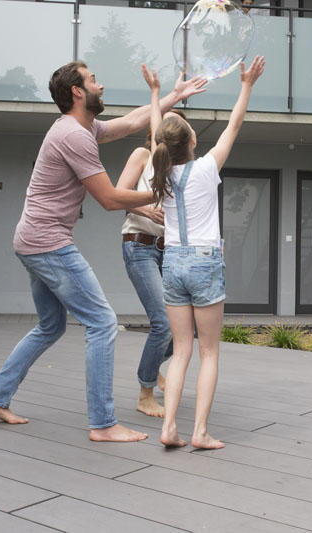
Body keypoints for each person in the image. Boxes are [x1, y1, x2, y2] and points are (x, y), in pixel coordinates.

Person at [0, 61, 207, 443]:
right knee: (102, 323)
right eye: (94, 80)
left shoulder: (81, 128)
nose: (102, 85)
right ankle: (103, 423)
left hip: (33, 240)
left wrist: (173, 97)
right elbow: (110, 199)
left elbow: (130, 123)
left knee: (50, 326)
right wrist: (164, 193)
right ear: (78, 92)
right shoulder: (74, 136)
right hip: (48, 243)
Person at [143, 56, 266, 449]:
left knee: (181, 351)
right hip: (204, 261)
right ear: (192, 142)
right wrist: (246, 85)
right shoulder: (207, 168)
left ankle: (169, 428)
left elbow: (155, 136)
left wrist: (156, 94)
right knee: (209, 353)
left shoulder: (160, 173)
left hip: (172, 261)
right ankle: (199, 432)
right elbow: (234, 125)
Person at [117, 108, 188, 418]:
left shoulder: (180, 169)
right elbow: (118, 195)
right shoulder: (142, 155)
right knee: (163, 321)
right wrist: (146, 210)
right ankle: (145, 393)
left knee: (184, 325)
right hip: (140, 246)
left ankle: (153, 365)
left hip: (169, 250)